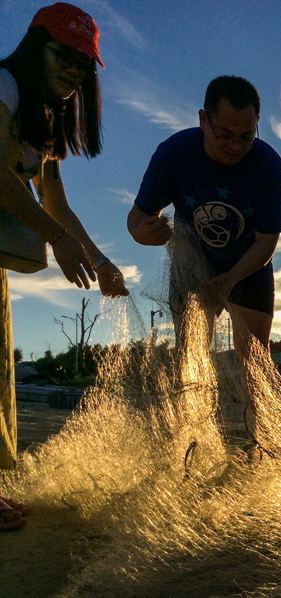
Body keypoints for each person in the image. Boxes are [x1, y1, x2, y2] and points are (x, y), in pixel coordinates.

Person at [0, 2, 128, 524]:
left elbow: (56, 203)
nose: (73, 73)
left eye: (83, 65)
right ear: (36, 48)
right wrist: (55, 239)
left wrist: (99, 261)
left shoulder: (45, 115)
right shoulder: (5, 85)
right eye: (64, 56)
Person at [127, 76, 281, 360]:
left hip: (249, 266)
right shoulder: (175, 153)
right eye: (225, 135)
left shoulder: (269, 164)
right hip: (192, 266)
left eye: (246, 137)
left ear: (257, 122)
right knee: (191, 358)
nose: (236, 146)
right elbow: (138, 215)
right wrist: (142, 232)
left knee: (256, 361)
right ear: (203, 119)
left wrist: (230, 279)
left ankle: (250, 404)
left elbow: (267, 242)